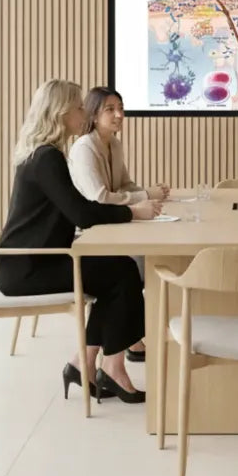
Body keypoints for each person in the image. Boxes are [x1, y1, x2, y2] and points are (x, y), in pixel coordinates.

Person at [0, 79, 162, 404]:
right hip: (28, 269)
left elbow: (79, 210)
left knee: (120, 271)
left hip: (33, 261)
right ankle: (109, 368)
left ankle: (85, 364)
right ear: (60, 113)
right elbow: (82, 213)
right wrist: (134, 213)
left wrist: (130, 209)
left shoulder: (43, 154)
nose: (82, 111)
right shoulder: (47, 158)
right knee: (122, 274)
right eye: (77, 106)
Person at [69, 85, 170, 362]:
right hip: (88, 235)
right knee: (135, 267)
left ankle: (121, 343)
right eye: (110, 110)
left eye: (121, 109)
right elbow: (99, 198)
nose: (119, 115)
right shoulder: (84, 148)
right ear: (93, 114)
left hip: (112, 227)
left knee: (135, 266)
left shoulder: (113, 143)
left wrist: (148, 192)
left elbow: (123, 185)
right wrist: (144, 197)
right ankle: (128, 341)